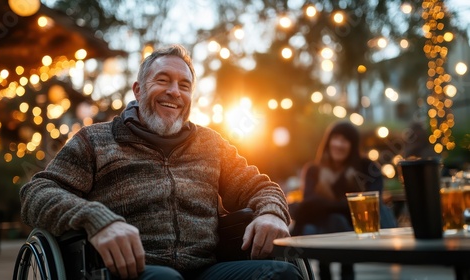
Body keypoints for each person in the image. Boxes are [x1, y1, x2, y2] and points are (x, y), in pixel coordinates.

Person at [20, 44, 303, 280]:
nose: (174, 92)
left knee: (282, 273)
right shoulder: (95, 141)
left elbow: (261, 187)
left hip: (207, 269)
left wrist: (271, 213)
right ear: (139, 90)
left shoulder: (211, 145)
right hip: (127, 269)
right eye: (163, 80)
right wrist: (97, 220)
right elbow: (36, 194)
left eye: (184, 85)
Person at [291, 121, 396, 280]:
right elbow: (309, 203)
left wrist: (325, 204)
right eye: (336, 138)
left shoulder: (366, 167)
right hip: (321, 229)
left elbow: (371, 201)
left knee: (337, 219)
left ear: (353, 145)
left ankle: (343, 273)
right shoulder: (314, 170)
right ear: (328, 141)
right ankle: (334, 274)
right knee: (335, 219)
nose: (339, 144)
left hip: (356, 229)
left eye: (345, 140)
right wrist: (349, 202)